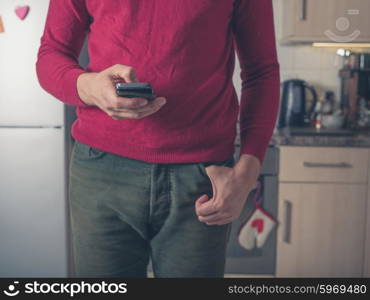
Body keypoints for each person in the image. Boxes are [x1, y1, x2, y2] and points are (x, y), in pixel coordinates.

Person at [36, 0, 280, 278]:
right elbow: (51, 55)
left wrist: (247, 175)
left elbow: (262, 71)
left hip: (201, 177)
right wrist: (88, 87)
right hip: (100, 172)